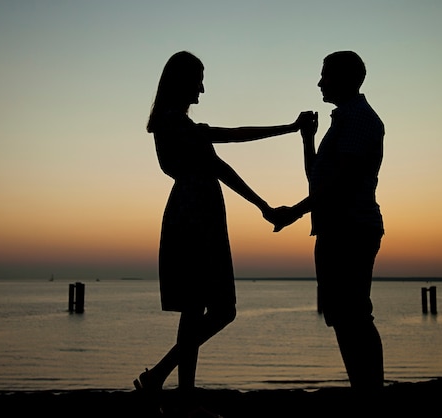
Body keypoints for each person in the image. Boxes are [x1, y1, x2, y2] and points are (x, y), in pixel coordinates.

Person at [136, 50, 312, 417]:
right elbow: (231, 137)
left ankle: (173, 389)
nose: (202, 89)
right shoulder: (173, 123)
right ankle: (171, 386)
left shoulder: (177, 124)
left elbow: (220, 166)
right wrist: (290, 128)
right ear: (182, 81)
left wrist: (263, 207)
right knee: (216, 309)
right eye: (198, 80)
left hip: (198, 213)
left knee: (199, 308)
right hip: (194, 217)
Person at [273, 51, 385, 400]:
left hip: (351, 228)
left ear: (346, 78)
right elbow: (318, 179)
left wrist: (294, 212)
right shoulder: (344, 121)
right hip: (336, 228)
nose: (320, 82)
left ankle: (369, 394)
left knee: (354, 315)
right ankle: (364, 391)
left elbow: (341, 184)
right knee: (343, 315)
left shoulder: (360, 120)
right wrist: (307, 138)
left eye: (326, 76)